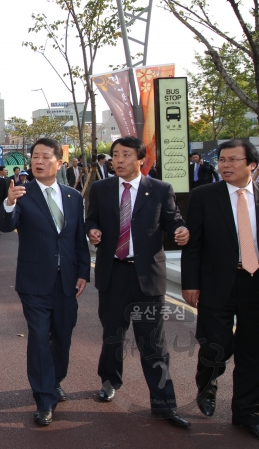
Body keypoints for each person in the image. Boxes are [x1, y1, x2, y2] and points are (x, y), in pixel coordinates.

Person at [85, 136, 191, 428]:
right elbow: (90, 219)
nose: (118, 160)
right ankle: (109, 380)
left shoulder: (159, 189)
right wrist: (92, 230)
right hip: (113, 273)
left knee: (153, 343)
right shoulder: (101, 188)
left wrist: (181, 230)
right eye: (115, 155)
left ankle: (164, 403)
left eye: (125, 155)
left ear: (141, 159)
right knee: (113, 334)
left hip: (147, 276)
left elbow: (172, 219)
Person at [0, 138, 90, 426]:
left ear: (59, 162)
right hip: (34, 282)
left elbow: (78, 240)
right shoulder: (23, 194)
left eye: (45, 156)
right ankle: (44, 398)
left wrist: (83, 273)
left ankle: (54, 378)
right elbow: (4, 225)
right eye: (34, 156)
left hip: (67, 282)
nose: (38, 161)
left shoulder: (73, 197)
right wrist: (9, 203)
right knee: (38, 338)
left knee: (62, 337)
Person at [181, 139, 259, 438]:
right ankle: (207, 382)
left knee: (254, 350)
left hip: (256, 283)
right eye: (222, 160)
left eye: (233, 160)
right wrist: (190, 283)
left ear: (252, 164)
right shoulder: (205, 196)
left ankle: (247, 412)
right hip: (217, 283)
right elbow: (193, 244)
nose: (225, 165)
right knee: (218, 345)